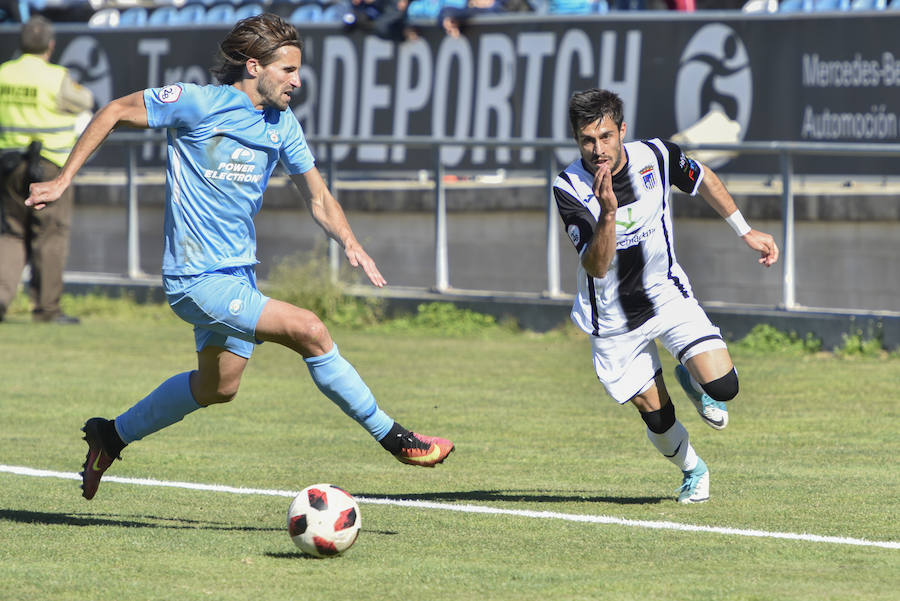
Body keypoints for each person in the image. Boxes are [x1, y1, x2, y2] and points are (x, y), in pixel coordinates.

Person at [26, 13, 454, 501]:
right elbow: (114, 110)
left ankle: (110, 435)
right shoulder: (197, 102)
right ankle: (397, 439)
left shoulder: (282, 124)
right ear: (254, 66)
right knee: (310, 329)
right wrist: (62, 180)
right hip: (195, 278)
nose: (297, 80)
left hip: (237, 278)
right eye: (287, 69)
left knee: (219, 386)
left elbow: (317, 196)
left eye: (298, 69)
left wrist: (350, 241)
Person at [553, 89, 778, 503]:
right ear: (576, 140)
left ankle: (693, 379)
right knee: (657, 415)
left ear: (622, 130)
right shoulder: (569, 187)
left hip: (667, 294)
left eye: (605, 136)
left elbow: (703, 177)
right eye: (587, 140)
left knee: (725, 387)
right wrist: (607, 213)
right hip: (614, 318)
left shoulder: (656, 156)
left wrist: (745, 230)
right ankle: (694, 470)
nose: (597, 149)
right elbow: (596, 266)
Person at [0, 16, 94, 324]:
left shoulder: (4, 73)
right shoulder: (57, 77)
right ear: (51, 46)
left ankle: (0, 301)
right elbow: (86, 101)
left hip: (9, 163)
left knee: (11, 233)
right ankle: (47, 309)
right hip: (50, 164)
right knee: (50, 235)